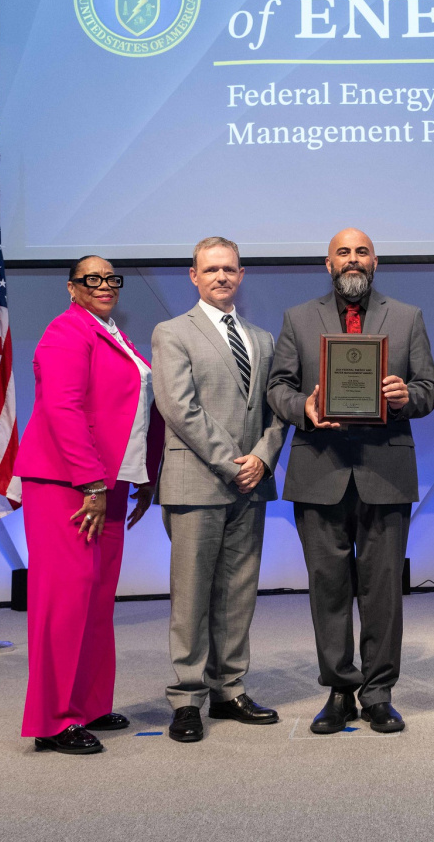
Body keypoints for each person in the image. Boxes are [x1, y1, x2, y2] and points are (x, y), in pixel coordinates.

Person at [267, 228, 434, 734]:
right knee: (328, 588)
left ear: (375, 262)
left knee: (383, 590)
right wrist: (305, 407)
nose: (352, 259)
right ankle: (340, 690)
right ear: (328, 264)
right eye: (342, 252)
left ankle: (379, 692)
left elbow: (430, 389)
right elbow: (277, 387)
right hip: (318, 470)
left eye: (361, 252)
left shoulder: (407, 317)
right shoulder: (298, 318)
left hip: (385, 471)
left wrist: (406, 395)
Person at [14, 256, 163, 754]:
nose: (104, 285)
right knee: (63, 602)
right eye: (91, 279)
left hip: (110, 482)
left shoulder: (112, 334)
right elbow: (63, 409)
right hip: (69, 485)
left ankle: (91, 704)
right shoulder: (65, 332)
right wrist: (92, 485)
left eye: (111, 279)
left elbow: (135, 411)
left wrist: (143, 474)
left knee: (96, 600)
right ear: (72, 287)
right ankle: (53, 720)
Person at [151, 237, 288, 743]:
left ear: (241, 274)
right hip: (198, 482)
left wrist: (264, 457)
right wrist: (233, 464)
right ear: (194, 276)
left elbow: (278, 407)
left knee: (238, 594)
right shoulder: (172, 332)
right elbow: (178, 407)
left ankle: (229, 690)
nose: (221, 277)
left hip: (251, 484)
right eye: (211, 270)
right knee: (191, 597)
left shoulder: (263, 338)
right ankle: (187, 699)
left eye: (229, 269)